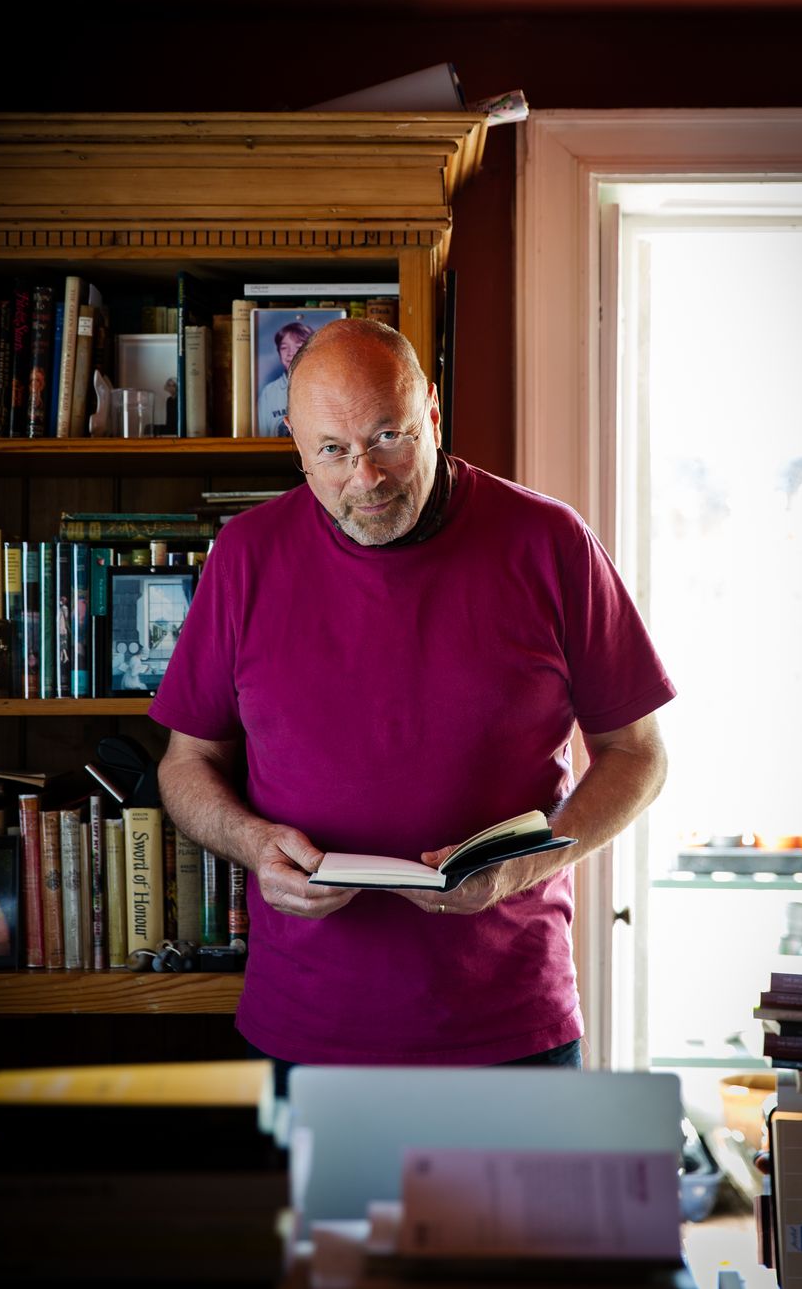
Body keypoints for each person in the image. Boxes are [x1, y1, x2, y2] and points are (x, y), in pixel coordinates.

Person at [151, 318, 675, 1085]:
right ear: (295, 444)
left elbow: (639, 753)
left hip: (512, 1029)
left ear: (432, 411)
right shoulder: (244, 557)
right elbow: (186, 762)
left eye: (388, 437)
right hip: (305, 1029)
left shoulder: (552, 542)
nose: (365, 477)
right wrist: (253, 843)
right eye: (333, 450)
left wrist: (523, 869)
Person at [255, 320, 315, 437]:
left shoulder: (321, 387)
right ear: (278, 352)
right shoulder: (269, 393)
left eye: (298, 346)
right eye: (284, 348)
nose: (290, 353)